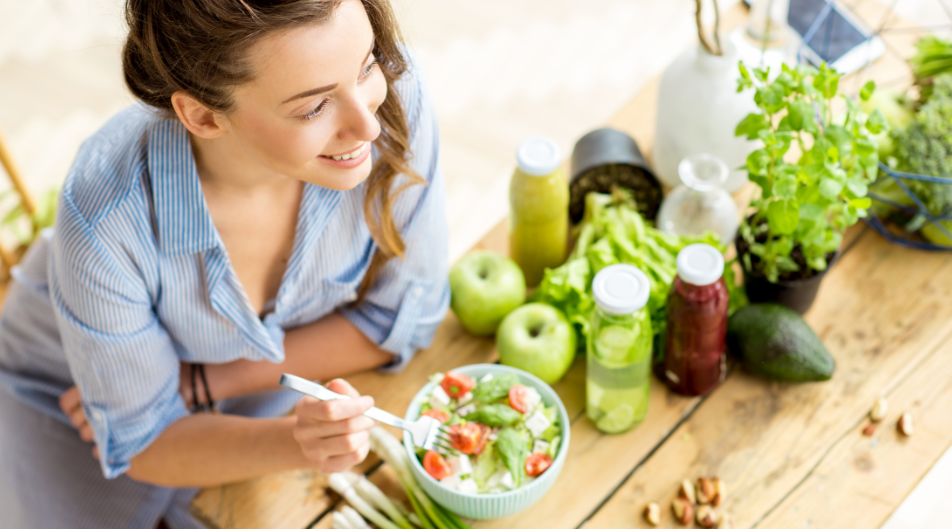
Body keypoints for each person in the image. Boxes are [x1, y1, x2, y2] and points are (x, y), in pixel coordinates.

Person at [0, 0, 449, 527]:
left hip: (252, 392)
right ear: (204, 116)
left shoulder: (391, 101)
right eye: (312, 108)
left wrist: (204, 383)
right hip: (65, 398)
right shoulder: (104, 217)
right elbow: (146, 439)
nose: (367, 126)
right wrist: (298, 441)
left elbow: (404, 318)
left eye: (367, 64)